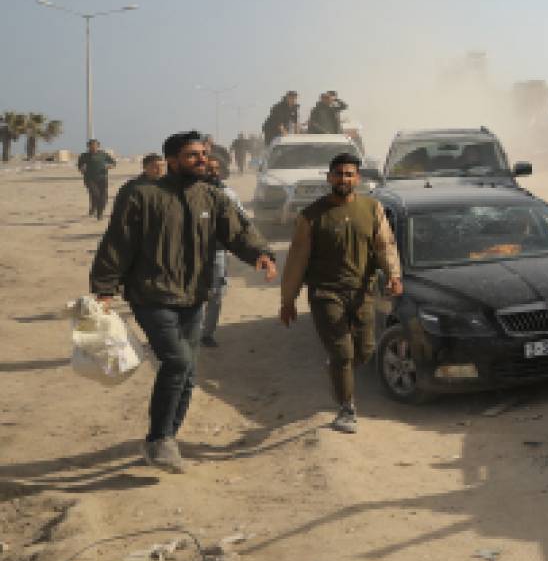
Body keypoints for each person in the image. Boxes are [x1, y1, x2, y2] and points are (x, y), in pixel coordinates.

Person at [89, 131, 277, 472]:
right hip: (151, 293)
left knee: (188, 371)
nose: (202, 159)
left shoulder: (211, 196)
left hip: (193, 296)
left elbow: (237, 231)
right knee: (176, 362)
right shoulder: (141, 194)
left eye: (203, 154)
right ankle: (159, 438)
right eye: (193, 155)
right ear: (172, 161)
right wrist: (104, 287)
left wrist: (260, 253)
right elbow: (118, 241)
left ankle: (165, 439)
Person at [278, 154, 402, 433]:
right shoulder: (311, 216)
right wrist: (288, 300)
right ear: (329, 177)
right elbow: (297, 259)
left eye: (349, 174)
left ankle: (336, 368)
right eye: (338, 174)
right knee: (343, 353)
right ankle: (346, 408)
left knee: (365, 351)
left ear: (357, 178)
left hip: (362, 292)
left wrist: (394, 275)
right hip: (325, 293)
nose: (344, 179)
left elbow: (385, 246)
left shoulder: (372, 209)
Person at [199, 156, 252, 348]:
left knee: (216, 292)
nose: (212, 172)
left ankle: (207, 333)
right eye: (208, 169)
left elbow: (242, 220)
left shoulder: (229, 194)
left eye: (215, 169)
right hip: (190, 252)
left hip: (217, 251)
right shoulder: (187, 193)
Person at [77, 139, 116, 219]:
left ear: (98, 146)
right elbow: (80, 166)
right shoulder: (84, 156)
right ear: (88, 146)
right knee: (95, 194)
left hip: (102, 178)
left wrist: (110, 166)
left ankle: (99, 213)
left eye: (95, 145)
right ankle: (93, 208)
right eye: (91, 146)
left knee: (103, 197)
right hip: (90, 179)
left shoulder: (103, 154)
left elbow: (113, 163)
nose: (93, 147)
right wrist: (82, 168)